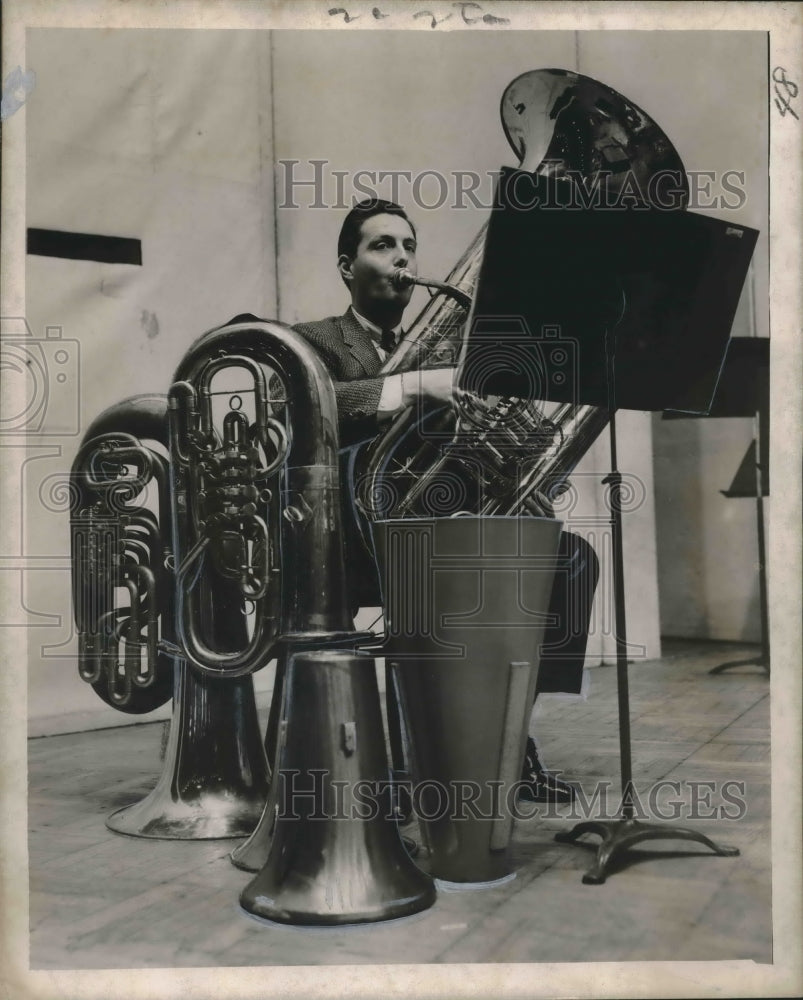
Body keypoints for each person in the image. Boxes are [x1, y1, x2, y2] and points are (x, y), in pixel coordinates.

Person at [293, 198, 595, 804]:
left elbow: (470, 457)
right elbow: (307, 406)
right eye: (382, 245)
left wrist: (519, 484)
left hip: (439, 529)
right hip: (354, 538)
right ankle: (435, 755)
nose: (402, 258)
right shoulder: (314, 340)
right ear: (346, 265)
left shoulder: (451, 353)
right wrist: (410, 386)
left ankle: (502, 738)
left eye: (409, 246)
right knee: (453, 580)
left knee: (569, 558)